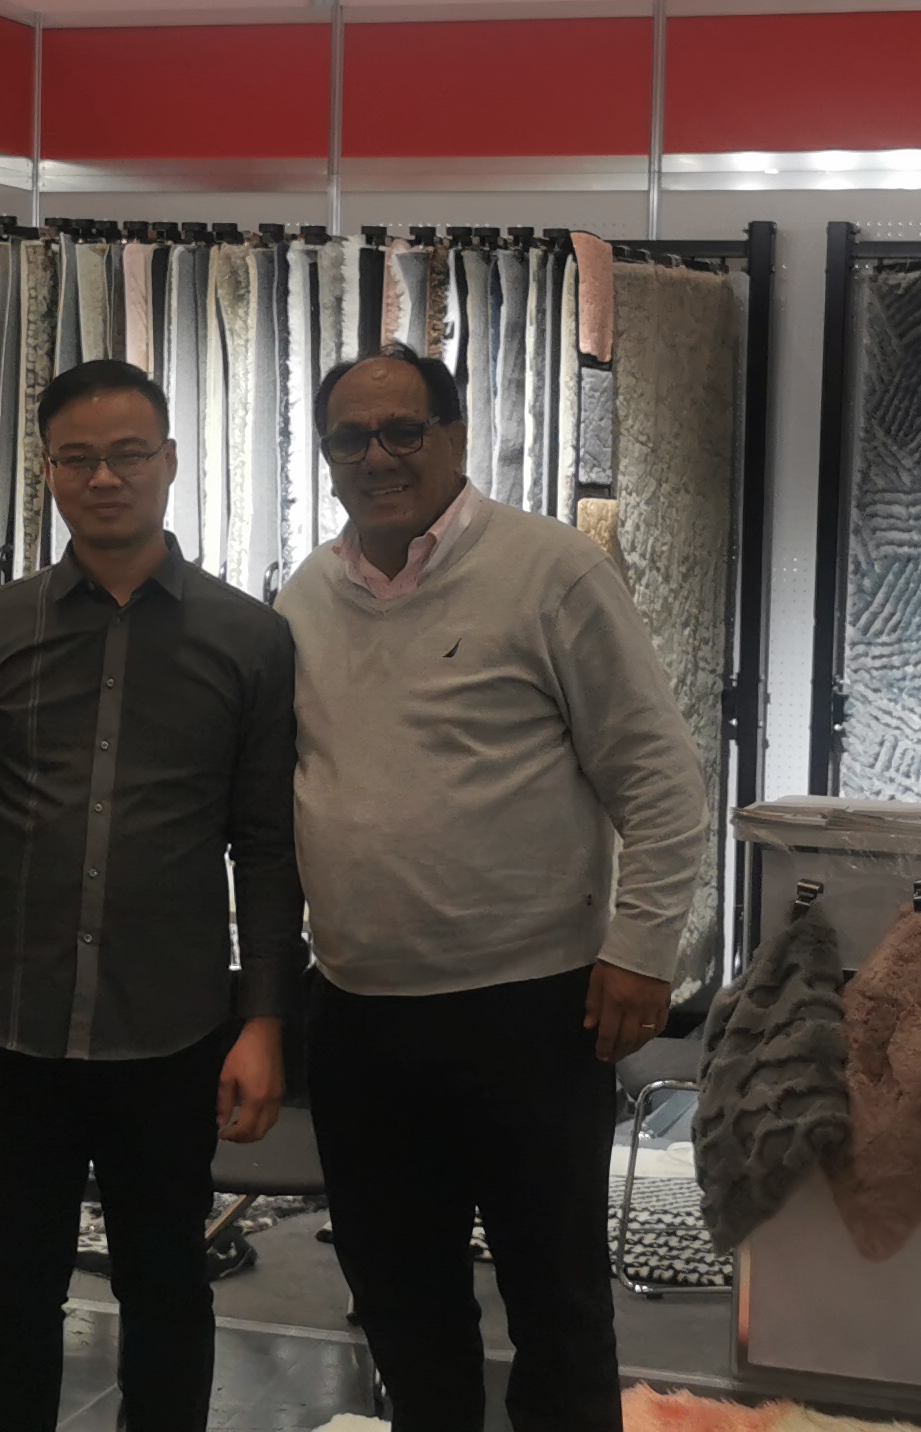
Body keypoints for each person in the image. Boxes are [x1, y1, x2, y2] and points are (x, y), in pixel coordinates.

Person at [277, 344, 710, 1432]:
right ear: (325, 454)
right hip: (362, 1017)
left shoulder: (550, 571)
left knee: (556, 1302)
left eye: (402, 431)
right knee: (400, 1301)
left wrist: (643, 948)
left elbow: (659, 779)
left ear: (456, 437)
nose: (377, 456)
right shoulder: (305, 599)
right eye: (350, 438)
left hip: (530, 1013)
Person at [0, 357, 301, 1432]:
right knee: (13, 1287)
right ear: (48, 472)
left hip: (169, 1027)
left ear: (169, 461)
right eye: (78, 458)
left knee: (166, 1283)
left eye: (129, 454)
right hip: (8, 1023)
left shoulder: (251, 639)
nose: (105, 477)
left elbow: (268, 848)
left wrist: (265, 1017)